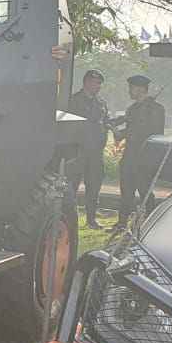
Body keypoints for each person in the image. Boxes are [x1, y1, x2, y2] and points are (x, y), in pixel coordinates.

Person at [112, 75, 165, 230]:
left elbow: (154, 132)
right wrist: (117, 130)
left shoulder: (156, 109)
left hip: (145, 157)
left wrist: (125, 133)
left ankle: (151, 224)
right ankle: (122, 223)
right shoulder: (133, 108)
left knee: (145, 192)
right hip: (130, 155)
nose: (129, 91)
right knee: (126, 192)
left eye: (132, 88)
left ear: (141, 89)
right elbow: (128, 126)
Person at [67, 70, 110, 229]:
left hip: (95, 152)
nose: (98, 86)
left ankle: (91, 220)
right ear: (86, 82)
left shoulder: (101, 103)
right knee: (71, 187)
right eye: (95, 83)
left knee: (94, 187)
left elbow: (106, 122)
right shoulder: (73, 101)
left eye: (99, 84)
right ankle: (69, 220)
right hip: (77, 151)